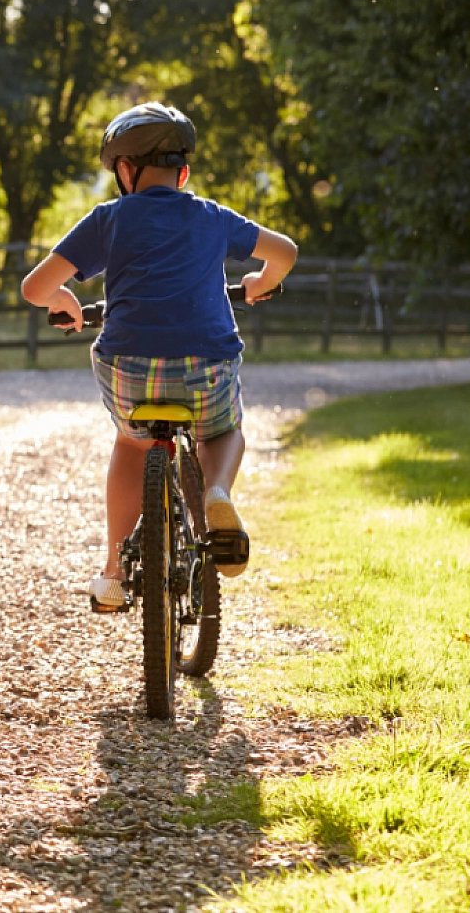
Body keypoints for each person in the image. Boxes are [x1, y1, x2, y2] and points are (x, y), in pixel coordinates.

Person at [20, 103, 298, 612]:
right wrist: (260, 283)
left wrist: (63, 300)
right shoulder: (211, 216)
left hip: (130, 368)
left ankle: (113, 573)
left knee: (130, 442)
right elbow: (285, 252)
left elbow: (35, 286)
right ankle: (217, 493)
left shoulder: (108, 220)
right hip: (206, 366)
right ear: (184, 173)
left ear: (125, 171)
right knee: (223, 429)